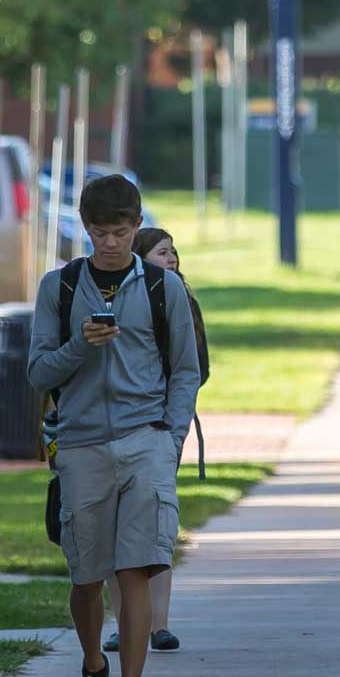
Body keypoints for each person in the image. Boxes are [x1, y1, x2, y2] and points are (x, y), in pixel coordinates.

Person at [27, 174, 200, 677]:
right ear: (86, 228)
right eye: (100, 233)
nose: (111, 244)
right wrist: (80, 345)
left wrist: (170, 439)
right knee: (87, 577)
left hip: (146, 439)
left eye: (122, 233)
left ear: (136, 225)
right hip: (80, 446)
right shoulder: (59, 287)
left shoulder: (160, 288)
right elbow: (37, 373)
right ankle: (94, 668)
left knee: (137, 569)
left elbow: (186, 370)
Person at [104, 225, 210, 655]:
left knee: (156, 525)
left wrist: (173, 422)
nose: (171, 260)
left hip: (162, 426)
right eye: (162, 253)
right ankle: (123, 622)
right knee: (115, 527)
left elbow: (197, 366)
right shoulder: (110, 297)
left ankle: (158, 625)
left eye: (173, 253)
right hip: (113, 425)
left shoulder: (182, 300)